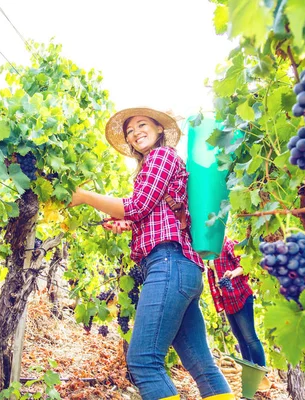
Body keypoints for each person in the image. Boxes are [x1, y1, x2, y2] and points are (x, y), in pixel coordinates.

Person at [69, 107, 233, 400]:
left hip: (169, 263)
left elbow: (137, 206)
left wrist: (84, 197)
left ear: (159, 129)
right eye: (129, 131)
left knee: (144, 362)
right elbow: (147, 213)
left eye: (142, 125)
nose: (135, 133)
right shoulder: (158, 165)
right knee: (202, 366)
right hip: (182, 269)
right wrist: (124, 222)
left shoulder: (161, 156)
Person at [206, 236, 266, 368]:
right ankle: (251, 372)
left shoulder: (229, 244)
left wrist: (232, 273)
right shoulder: (211, 251)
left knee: (250, 338)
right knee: (240, 339)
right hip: (227, 299)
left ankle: (263, 373)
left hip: (240, 296)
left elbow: (244, 266)